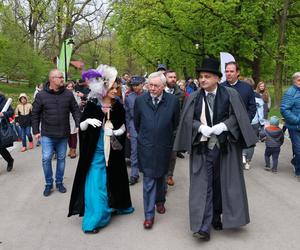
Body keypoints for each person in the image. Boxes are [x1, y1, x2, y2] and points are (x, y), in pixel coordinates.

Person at [173, 58, 257, 241]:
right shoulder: (194, 96)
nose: (202, 80)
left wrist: (225, 126)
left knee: (222, 185)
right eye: (201, 77)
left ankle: (217, 216)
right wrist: (198, 127)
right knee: (204, 186)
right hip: (202, 148)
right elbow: (187, 119)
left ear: (217, 79)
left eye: (207, 76)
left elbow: (239, 116)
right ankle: (203, 227)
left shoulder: (230, 94)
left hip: (225, 148)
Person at [68, 68, 134, 233]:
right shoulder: (92, 105)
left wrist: (116, 132)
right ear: (103, 89)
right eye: (112, 88)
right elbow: (81, 127)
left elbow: (123, 128)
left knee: (113, 181)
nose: (115, 91)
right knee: (96, 186)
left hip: (113, 153)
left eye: (116, 88)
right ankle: (95, 219)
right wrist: (87, 121)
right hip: (95, 154)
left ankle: (117, 205)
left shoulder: (118, 106)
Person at [134, 71, 180, 229]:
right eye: (150, 85)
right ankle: (148, 215)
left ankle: (160, 201)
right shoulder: (140, 101)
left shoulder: (173, 101)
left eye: (155, 86)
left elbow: (175, 123)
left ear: (163, 86)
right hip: (146, 146)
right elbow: (137, 124)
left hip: (164, 146)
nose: (152, 88)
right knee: (149, 180)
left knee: (161, 177)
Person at [32, 69, 81, 197]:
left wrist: (78, 123)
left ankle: (59, 182)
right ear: (52, 79)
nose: (62, 79)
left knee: (61, 159)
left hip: (63, 133)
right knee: (46, 158)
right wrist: (36, 130)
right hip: (47, 134)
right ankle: (49, 183)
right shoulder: (41, 95)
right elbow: (35, 114)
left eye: (62, 77)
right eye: (59, 77)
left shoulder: (68, 94)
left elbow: (75, 110)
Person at [164, 70, 185, 186]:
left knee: (172, 155)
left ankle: (169, 175)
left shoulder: (180, 94)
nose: (173, 79)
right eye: (170, 77)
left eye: (174, 77)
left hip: (174, 129)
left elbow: (182, 112)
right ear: (165, 78)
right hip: (160, 129)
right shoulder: (159, 91)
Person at [124, 76, 145, 185]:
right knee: (134, 151)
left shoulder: (148, 95)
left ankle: (147, 171)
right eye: (133, 85)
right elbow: (127, 114)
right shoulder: (129, 97)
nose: (135, 87)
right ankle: (134, 175)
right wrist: (128, 129)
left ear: (142, 84)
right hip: (133, 127)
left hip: (146, 126)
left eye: (137, 85)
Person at [280, 72, 300, 181]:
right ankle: (298, 172)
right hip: (295, 127)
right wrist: (297, 120)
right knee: (298, 150)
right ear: (294, 81)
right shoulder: (290, 93)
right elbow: (284, 109)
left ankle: (294, 161)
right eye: (299, 80)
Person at [242, 78, 265, 170]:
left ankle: (242, 154)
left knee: (241, 140)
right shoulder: (258, 97)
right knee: (251, 143)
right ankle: (248, 162)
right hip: (254, 122)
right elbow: (260, 111)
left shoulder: (241, 95)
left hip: (243, 121)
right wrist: (262, 122)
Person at [66, 81, 80, 158]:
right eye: (68, 87)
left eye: (71, 87)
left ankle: (73, 150)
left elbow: (77, 105)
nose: (70, 88)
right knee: (68, 134)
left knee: (73, 134)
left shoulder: (76, 95)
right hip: (65, 117)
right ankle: (70, 148)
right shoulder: (63, 95)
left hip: (73, 117)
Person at [0, 92, 14, 172]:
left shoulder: (3, 100)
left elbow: (11, 112)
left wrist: (3, 114)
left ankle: (10, 160)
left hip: (2, 127)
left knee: (1, 148)